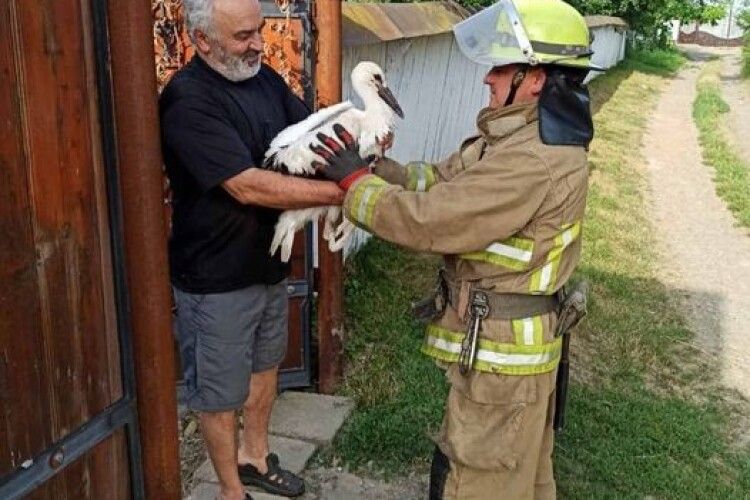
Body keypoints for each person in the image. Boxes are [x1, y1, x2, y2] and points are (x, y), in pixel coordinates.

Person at [311, 1, 598, 498]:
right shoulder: (513, 137)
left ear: (535, 78)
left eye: (501, 66)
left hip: (504, 369)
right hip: (501, 364)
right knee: (520, 481)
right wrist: (378, 168)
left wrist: (354, 186)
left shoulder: (532, 160)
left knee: (477, 482)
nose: (487, 78)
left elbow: (436, 220)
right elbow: (441, 182)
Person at [159, 0, 344, 498]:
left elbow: (313, 136)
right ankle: (229, 490)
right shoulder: (188, 100)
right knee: (219, 393)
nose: (259, 44)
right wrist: (345, 192)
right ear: (203, 42)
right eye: (243, 36)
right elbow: (247, 186)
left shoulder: (262, 80)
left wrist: (361, 147)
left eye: (259, 31)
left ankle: (254, 458)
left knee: (266, 368)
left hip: (269, 265)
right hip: (215, 279)